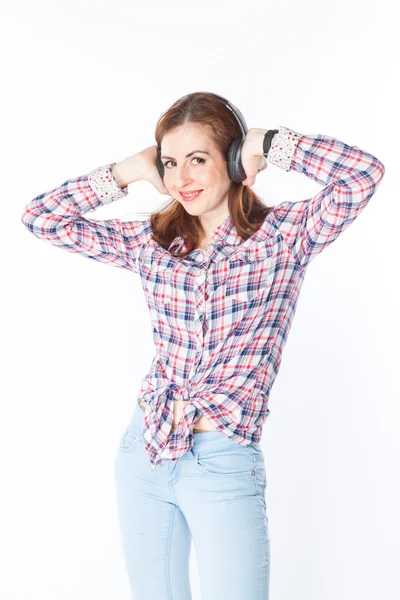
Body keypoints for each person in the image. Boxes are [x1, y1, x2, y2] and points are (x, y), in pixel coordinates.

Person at [20, 91, 385, 599]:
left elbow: (363, 174)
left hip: (223, 458)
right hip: (144, 450)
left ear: (233, 160)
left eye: (198, 160)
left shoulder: (284, 237)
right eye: (171, 163)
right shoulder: (152, 243)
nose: (181, 180)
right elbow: (42, 219)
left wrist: (271, 144)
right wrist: (126, 172)